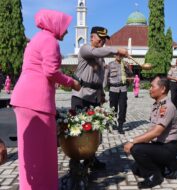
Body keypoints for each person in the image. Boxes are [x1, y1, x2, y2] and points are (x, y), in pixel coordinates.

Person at [10, 9, 81, 190]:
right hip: (36, 102)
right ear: (55, 25)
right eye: (64, 27)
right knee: (43, 153)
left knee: (30, 154)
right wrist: (71, 82)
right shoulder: (50, 41)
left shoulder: (37, 39)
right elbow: (50, 72)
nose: (66, 31)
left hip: (24, 99)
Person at [71, 26, 128, 169]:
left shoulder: (101, 59)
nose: (103, 41)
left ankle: (91, 159)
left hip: (94, 98)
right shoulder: (85, 49)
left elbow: (100, 78)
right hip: (81, 96)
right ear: (92, 37)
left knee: (95, 130)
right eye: (100, 38)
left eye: (104, 39)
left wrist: (102, 94)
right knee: (79, 131)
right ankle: (76, 163)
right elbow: (96, 52)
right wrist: (117, 50)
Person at [124, 75, 177, 189]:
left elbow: (156, 133)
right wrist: (140, 141)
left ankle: (155, 176)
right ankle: (171, 164)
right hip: (158, 146)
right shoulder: (157, 105)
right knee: (136, 169)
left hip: (168, 148)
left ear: (163, 89)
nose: (149, 89)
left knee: (136, 149)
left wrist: (132, 141)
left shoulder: (167, 107)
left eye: (152, 86)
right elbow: (150, 130)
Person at [103, 55, 133, 134]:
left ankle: (120, 125)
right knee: (113, 108)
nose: (119, 57)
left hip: (123, 89)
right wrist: (102, 89)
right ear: (115, 55)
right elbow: (106, 76)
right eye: (117, 55)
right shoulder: (110, 64)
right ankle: (113, 123)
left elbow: (130, 74)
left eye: (121, 55)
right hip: (113, 89)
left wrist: (127, 68)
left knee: (123, 107)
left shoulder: (126, 64)